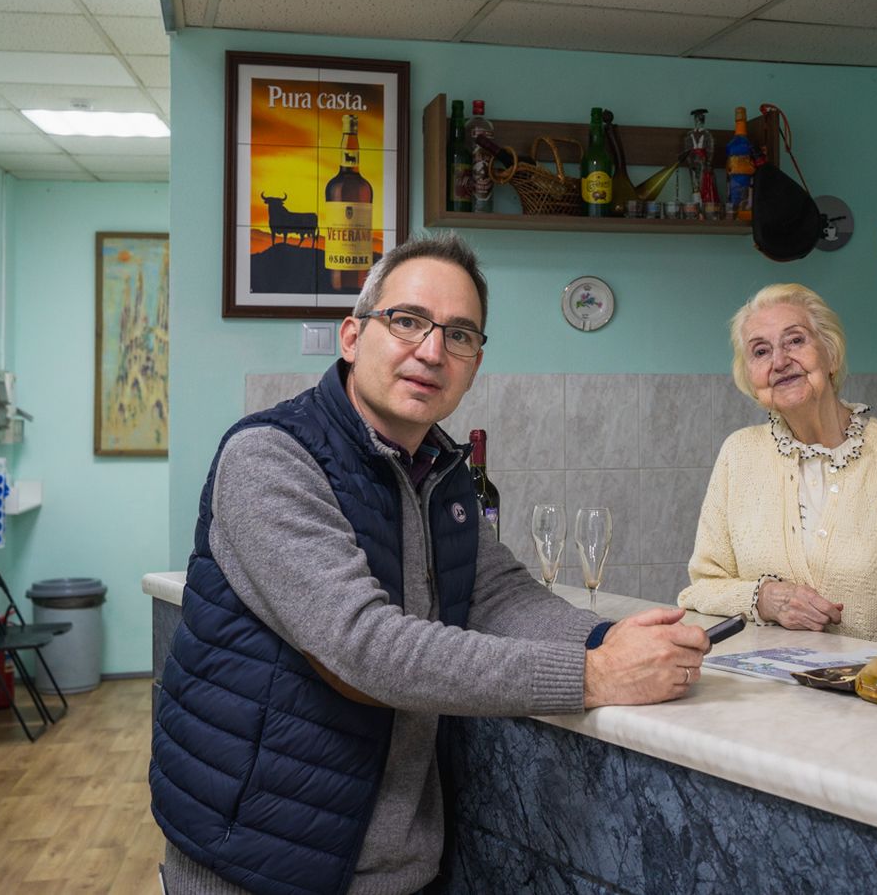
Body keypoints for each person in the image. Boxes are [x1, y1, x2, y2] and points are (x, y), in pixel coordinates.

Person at [150, 233, 708, 895]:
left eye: (461, 334)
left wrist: (612, 637)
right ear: (352, 337)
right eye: (408, 321)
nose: (432, 350)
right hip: (263, 863)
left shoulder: (440, 472)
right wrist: (592, 674)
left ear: (475, 363)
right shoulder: (270, 458)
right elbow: (364, 650)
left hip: (395, 865)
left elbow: (498, 595)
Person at [678, 283, 877, 645]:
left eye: (795, 341)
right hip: (765, 695)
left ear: (830, 353)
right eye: (761, 351)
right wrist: (763, 599)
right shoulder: (739, 454)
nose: (779, 361)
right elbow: (702, 588)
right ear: (750, 379)